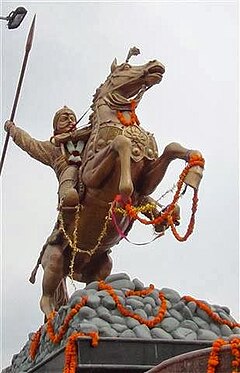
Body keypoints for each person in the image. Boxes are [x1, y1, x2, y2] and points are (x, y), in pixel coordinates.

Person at [5, 105, 92, 209]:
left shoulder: (87, 139)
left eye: (72, 119)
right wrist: (12, 129)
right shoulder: (52, 147)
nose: (70, 121)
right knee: (70, 175)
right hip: (69, 177)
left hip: (90, 168)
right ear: (56, 127)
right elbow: (29, 143)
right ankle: (67, 206)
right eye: (64, 119)